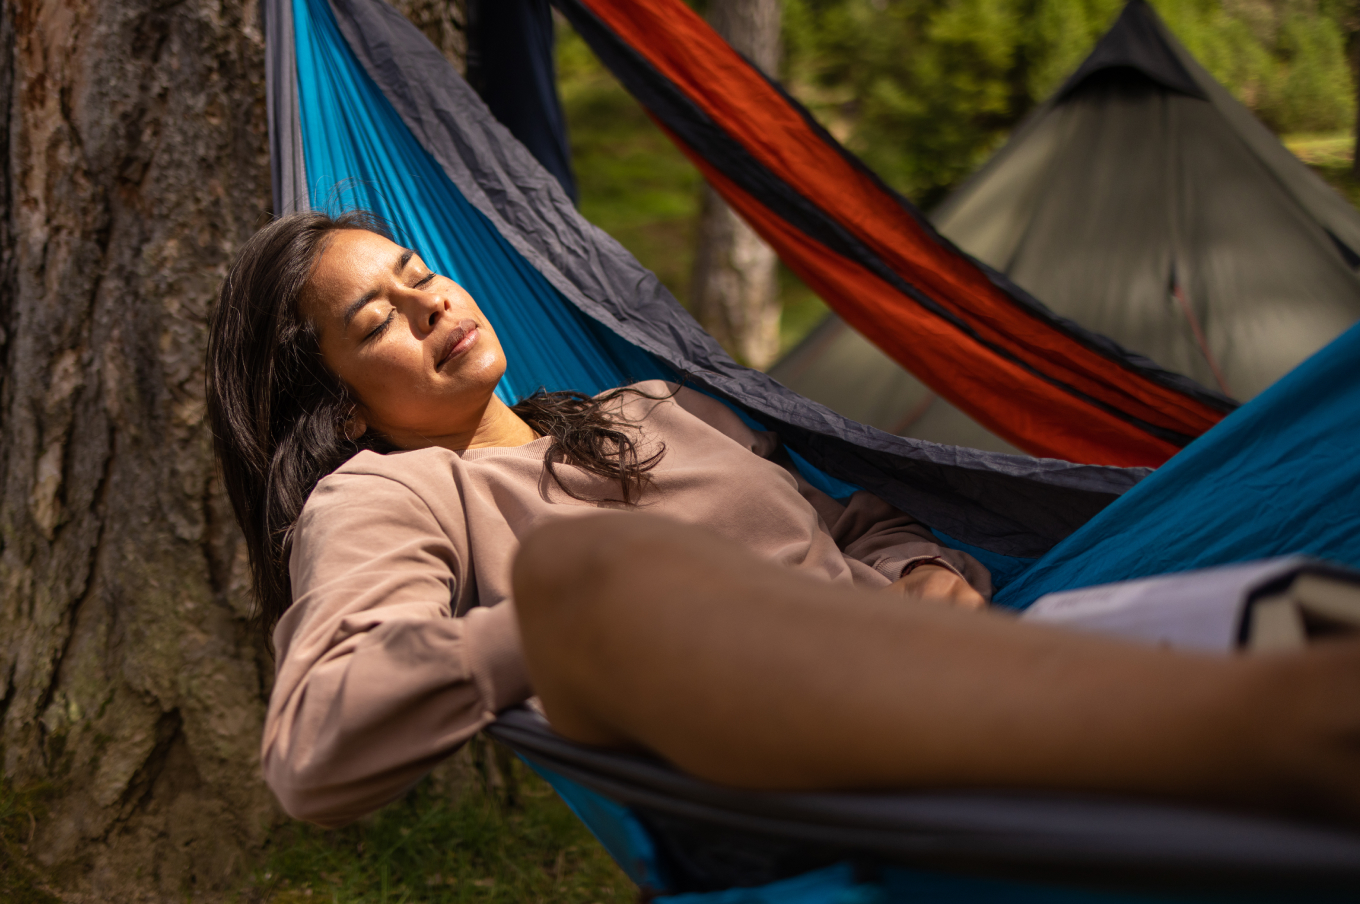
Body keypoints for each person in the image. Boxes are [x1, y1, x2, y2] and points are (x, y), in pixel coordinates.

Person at [206, 210, 1360, 830]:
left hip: (949, 662)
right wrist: (558, 625)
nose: (431, 302)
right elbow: (315, 742)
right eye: (378, 318)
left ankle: (1276, 694)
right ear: (341, 399)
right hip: (765, 770)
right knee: (591, 573)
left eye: (419, 273)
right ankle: (1278, 723)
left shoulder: (651, 406)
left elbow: (853, 521)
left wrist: (918, 567)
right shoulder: (387, 491)